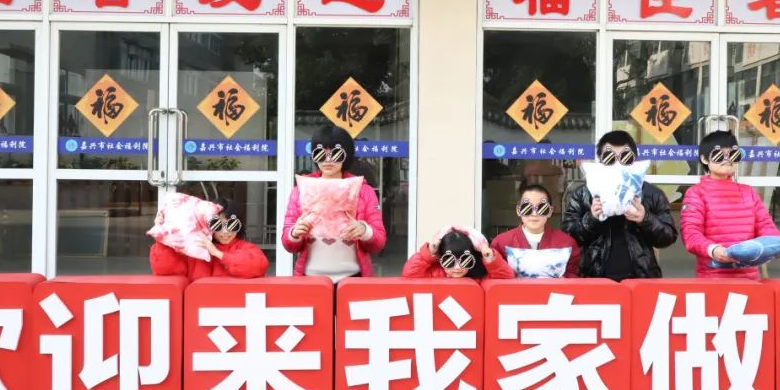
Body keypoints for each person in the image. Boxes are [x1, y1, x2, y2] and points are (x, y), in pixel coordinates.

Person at [561, 130, 677, 280]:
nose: (617, 164)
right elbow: (568, 237)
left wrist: (645, 218)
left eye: (625, 157)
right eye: (609, 157)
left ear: (634, 160)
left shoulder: (651, 193)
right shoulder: (584, 194)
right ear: (600, 161)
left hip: (640, 277)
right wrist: (592, 218)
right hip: (595, 278)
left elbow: (668, 237)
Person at [282, 124, 387, 281]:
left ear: (347, 155)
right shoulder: (301, 190)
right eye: (320, 154)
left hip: (353, 279)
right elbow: (288, 244)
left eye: (336, 154)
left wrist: (365, 231)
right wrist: (294, 233)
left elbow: (379, 242)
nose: (328, 160)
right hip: (310, 278)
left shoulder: (364, 191)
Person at [680, 130, 780, 280]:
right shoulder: (696, 193)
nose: (727, 160)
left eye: (733, 155)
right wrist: (713, 250)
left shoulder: (748, 192)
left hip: (749, 278)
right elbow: (691, 234)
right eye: (719, 155)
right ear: (704, 159)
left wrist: (776, 243)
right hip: (713, 277)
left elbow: (765, 225)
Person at [149, 197, 269, 280]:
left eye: (232, 225)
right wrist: (163, 234)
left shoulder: (245, 247)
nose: (225, 232)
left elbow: (258, 266)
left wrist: (217, 253)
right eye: (217, 225)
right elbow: (164, 269)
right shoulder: (194, 249)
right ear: (206, 224)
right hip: (199, 306)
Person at [490, 182, 581, 278]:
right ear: (518, 210)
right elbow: (495, 276)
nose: (534, 213)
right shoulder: (501, 243)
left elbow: (572, 278)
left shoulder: (566, 244)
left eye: (542, 208)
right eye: (527, 208)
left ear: (550, 211)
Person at [402, 226, 516, 279]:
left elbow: (507, 277)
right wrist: (429, 252)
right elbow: (409, 274)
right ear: (440, 257)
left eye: (465, 260)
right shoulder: (436, 274)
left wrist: (490, 258)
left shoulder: (480, 275)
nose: (457, 267)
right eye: (449, 261)